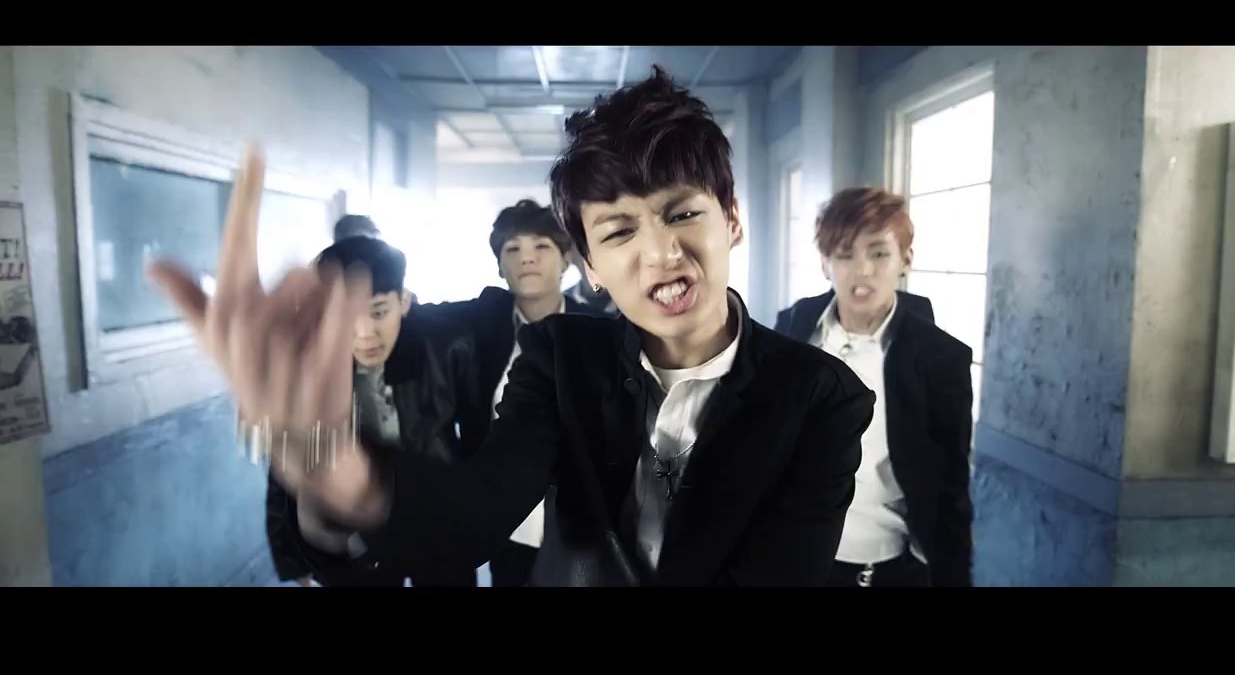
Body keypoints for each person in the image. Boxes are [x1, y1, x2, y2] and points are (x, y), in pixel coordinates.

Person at [151, 66, 872, 587]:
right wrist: (333, 469)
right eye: (619, 231)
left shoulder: (820, 395)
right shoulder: (560, 357)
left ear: (732, 219)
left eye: (682, 213)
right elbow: (475, 512)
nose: (660, 252)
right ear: (589, 266)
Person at [774, 187, 974, 587]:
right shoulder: (792, 330)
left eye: (879, 253)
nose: (862, 270)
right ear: (825, 262)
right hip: (794, 560)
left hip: (891, 567)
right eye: (845, 254)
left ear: (905, 259)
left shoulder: (941, 359)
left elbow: (950, 486)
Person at [263, 237, 475, 587]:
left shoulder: (447, 348)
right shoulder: (308, 367)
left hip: (436, 516)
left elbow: (476, 440)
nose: (364, 334)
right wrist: (289, 555)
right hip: (355, 530)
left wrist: (473, 516)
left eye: (378, 312)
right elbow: (288, 468)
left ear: (403, 301)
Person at [425, 199, 597, 587]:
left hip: (581, 523)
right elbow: (421, 318)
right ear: (500, 267)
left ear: (566, 260)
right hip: (506, 522)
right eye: (513, 249)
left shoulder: (598, 330)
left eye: (542, 246)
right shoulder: (482, 326)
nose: (527, 258)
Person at [563, 247, 618, 315]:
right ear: (570, 257)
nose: (592, 261)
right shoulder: (561, 305)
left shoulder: (627, 295)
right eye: (584, 251)